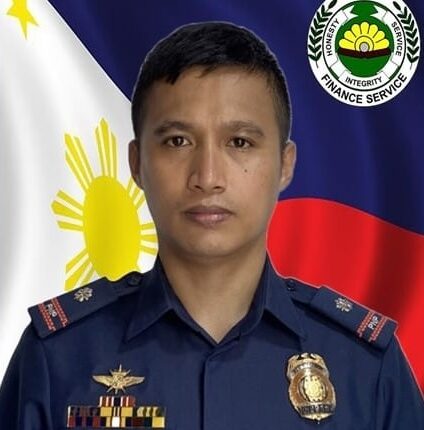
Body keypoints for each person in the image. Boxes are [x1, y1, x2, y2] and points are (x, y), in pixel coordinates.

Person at [0, 21, 423, 429]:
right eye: (177, 141)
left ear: (285, 165)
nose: (207, 177)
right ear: (137, 163)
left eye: (239, 142)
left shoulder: (365, 369)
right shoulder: (57, 359)